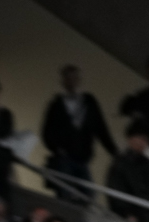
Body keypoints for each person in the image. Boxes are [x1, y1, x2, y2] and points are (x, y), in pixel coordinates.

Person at [41, 66, 116, 199]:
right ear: (63, 81)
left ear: (79, 80)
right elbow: (46, 131)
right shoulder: (56, 105)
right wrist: (58, 148)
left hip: (82, 157)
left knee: (88, 196)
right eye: (68, 78)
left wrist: (115, 153)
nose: (72, 81)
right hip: (64, 158)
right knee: (65, 194)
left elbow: (101, 129)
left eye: (74, 77)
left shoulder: (89, 102)